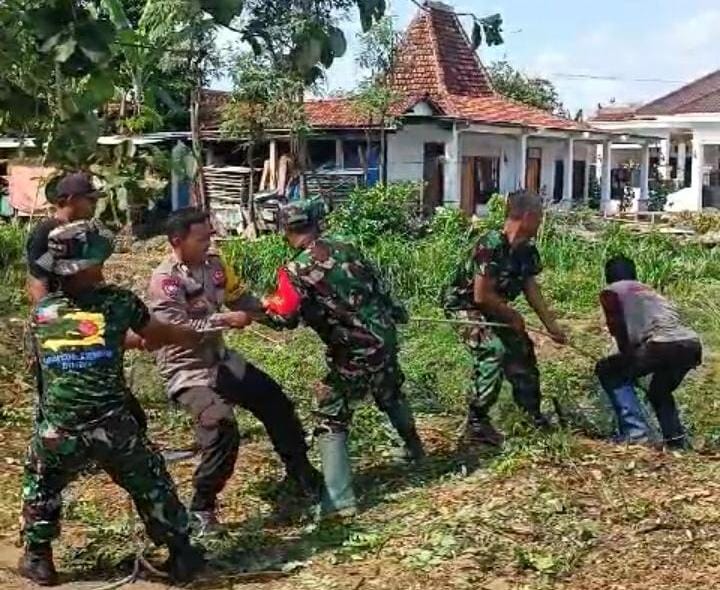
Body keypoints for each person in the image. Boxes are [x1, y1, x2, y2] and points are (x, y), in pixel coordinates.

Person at [20, 220, 206, 586]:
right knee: (151, 482)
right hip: (112, 427)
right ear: (91, 264)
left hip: (60, 428)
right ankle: (182, 552)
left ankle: (38, 558)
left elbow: (45, 365)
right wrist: (194, 336)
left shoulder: (42, 314)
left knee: (41, 482)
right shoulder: (119, 303)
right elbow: (158, 334)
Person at [147, 207, 320, 532]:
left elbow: (241, 299)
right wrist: (224, 320)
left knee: (273, 399)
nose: (208, 244)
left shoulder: (215, 265)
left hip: (220, 358)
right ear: (176, 240)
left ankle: (300, 472)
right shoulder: (166, 280)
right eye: (200, 239)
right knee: (221, 426)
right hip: (187, 368)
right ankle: (202, 507)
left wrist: (277, 312)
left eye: (210, 236)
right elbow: (174, 327)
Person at [261, 199, 425, 518]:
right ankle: (414, 451)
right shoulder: (347, 248)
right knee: (389, 392)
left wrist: (256, 311)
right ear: (316, 223)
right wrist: (394, 313)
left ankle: (339, 501)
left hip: (353, 350)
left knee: (330, 417)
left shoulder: (295, 270)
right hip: (384, 339)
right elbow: (380, 289)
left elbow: (286, 318)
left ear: (285, 231)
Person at [442, 191, 567, 446]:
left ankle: (530, 414)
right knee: (493, 349)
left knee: (521, 349)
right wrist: (512, 315)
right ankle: (477, 422)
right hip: (465, 306)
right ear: (529, 217)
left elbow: (531, 288)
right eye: (540, 216)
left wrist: (551, 326)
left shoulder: (527, 251)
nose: (542, 222)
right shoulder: (490, 244)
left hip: (494, 307)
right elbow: (480, 295)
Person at [595, 255, 702, 449]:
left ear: (607, 276)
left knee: (608, 370)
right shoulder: (651, 291)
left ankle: (636, 434)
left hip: (662, 345)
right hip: (690, 345)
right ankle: (675, 441)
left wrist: (625, 358)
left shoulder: (611, 292)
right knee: (659, 390)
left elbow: (617, 326)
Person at [26, 172, 101, 305]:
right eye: (90, 200)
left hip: (88, 304)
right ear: (72, 200)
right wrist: (48, 318)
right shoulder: (46, 232)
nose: (94, 204)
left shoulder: (88, 230)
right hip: (63, 308)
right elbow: (38, 281)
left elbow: (94, 275)